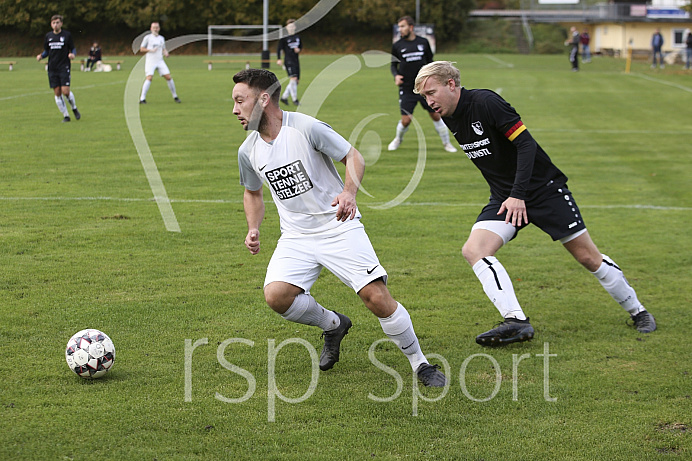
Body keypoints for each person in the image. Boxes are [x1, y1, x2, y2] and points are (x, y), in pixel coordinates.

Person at [413, 61, 656, 346]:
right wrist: (510, 195)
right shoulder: (448, 115)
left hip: (543, 191)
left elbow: (526, 145)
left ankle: (638, 311)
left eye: (431, 92)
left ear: (451, 84)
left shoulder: (487, 102)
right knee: (474, 250)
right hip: (506, 197)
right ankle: (516, 322)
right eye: (424, 97)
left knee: (589, 257)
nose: (429, 102)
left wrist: (519, 193)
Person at [232, 68, 446, 387]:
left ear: (263, 99)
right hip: (296, 237)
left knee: (376, 297)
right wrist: (253, 227)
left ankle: (421, 364)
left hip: (338, 226)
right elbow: (252, 192)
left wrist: (349, 192)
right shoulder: (247, 150)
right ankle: (333, 325)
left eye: (240, 101)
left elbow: (352, 156)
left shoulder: (305, 127)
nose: (235, 110)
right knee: (277, 296)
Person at [388, 16, 457, 153]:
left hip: (425, 88)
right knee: (406, 119)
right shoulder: (397, 45)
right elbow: (393, 65)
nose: (400, 29)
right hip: (407, 88)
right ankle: (398, 139)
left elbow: (431, 62)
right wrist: (396, 76)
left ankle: (447, 143)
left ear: (411, 27)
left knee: (436, 115)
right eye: (399, 27)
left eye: (403, 26)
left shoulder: (423, 42)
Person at [35, 15, 81, 123]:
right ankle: (66, 115)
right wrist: (41, 56)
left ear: (61, 24)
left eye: (57, 22)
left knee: (65, 91)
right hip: (52, 68)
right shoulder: (48, 36)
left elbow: (73, 48)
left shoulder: (66, 35)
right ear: (51, 24)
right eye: (53, 23)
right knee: (57, 92)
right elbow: (47, 51)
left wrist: (73, 54)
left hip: (64, 66)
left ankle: (74, 108)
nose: (55, 24)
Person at [138, 22, 180, 104]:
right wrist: (150, 50)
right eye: (154, 27)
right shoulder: (147, 38)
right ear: (151, 29)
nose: (155, 29)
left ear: (159, 28)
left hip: (160, 61)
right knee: (149, 78)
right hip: (150, 61)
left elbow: (163, 48)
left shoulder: (161, 38)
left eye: (157, 27)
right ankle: (142, 99)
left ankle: (175, 96)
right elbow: (142, 49)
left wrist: (166, 53)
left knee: (168, 77)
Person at [276, 19, 302, 106]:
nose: (291, 28)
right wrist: (279, 59)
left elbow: (300, 46)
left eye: (292, 26)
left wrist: (298, 50)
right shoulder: (284, 38)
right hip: (288, 61)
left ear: (295, 27)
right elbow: (279, 49)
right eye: (289, 26)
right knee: (293, 79)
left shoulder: (297, 37)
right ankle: (295, 100)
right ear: (287, 27)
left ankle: (284, 97)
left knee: (296, 81)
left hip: (296, 61)